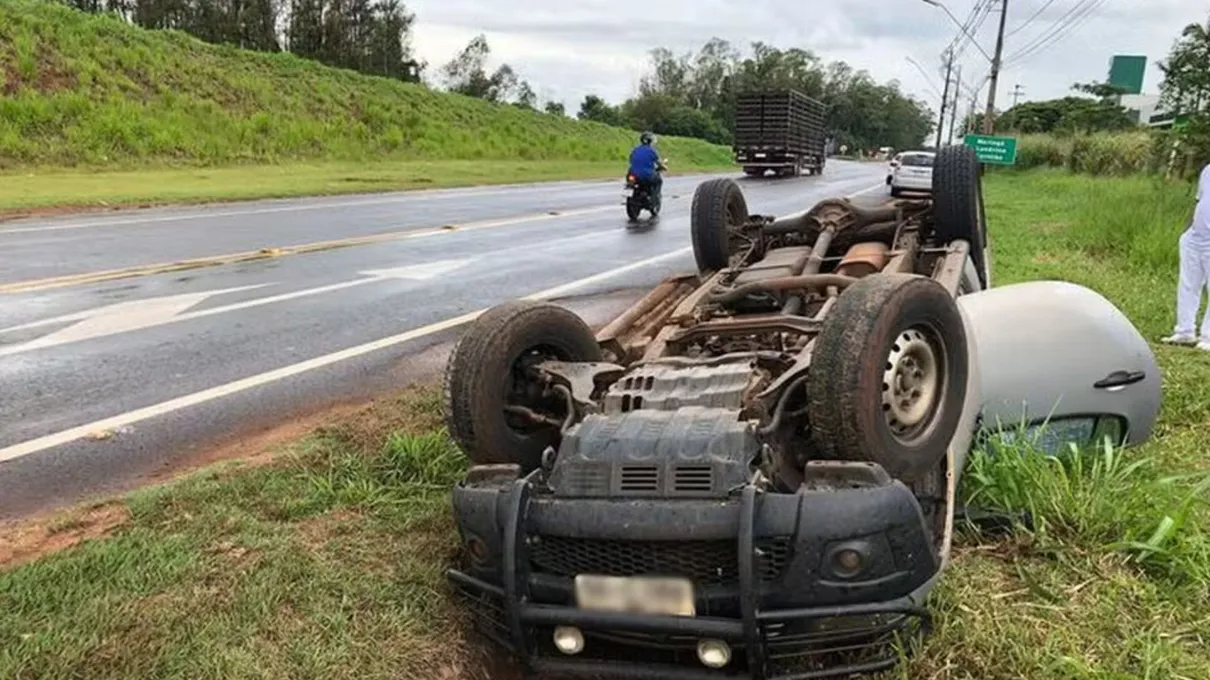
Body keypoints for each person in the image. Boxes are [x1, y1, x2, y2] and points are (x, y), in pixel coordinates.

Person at [1162, 161, 1210, 350]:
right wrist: (1188, 231)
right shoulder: (1207, 170)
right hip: (1195, 238)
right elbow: (1200, 201)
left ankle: (1207, 337)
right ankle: (1185, 331)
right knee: (1188, 285)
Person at [628, 132, 665, 201]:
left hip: (632, 174)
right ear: (650, 141)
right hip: (647, 175)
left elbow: (630, 160)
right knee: (659, 181)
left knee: (632, 183)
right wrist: (664, 167)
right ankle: (655, 198)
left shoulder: (635, 150)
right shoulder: (652, 151)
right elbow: (659, 163)